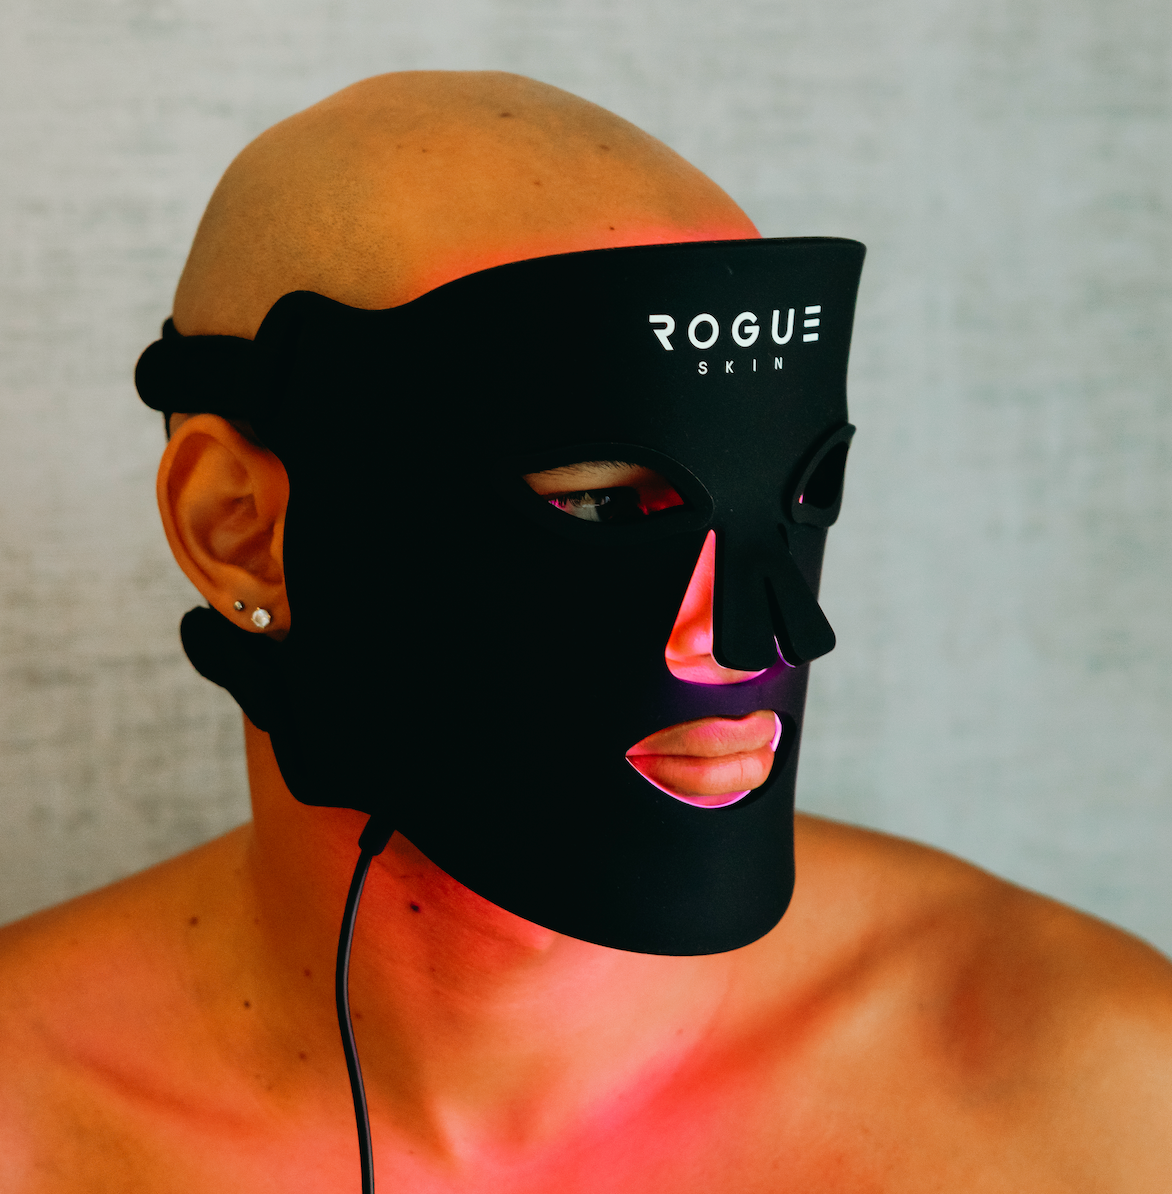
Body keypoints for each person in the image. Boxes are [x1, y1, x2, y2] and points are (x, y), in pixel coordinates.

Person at [1, 70, 1170, 1193]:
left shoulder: (1098, 1095)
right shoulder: (28, 1119)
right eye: (604, 504)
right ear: (239, 531)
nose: (762, 638)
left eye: (803, 496)